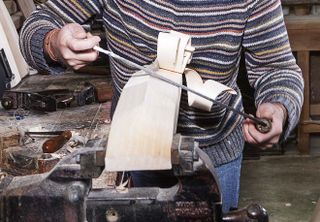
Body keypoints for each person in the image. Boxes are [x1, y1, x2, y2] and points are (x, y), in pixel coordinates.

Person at [19, 0, 304, 213]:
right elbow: (37, 24)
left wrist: (278, 107)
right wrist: (54, 43)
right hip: (136, 145)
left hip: (215, 152)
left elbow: (277, 68)